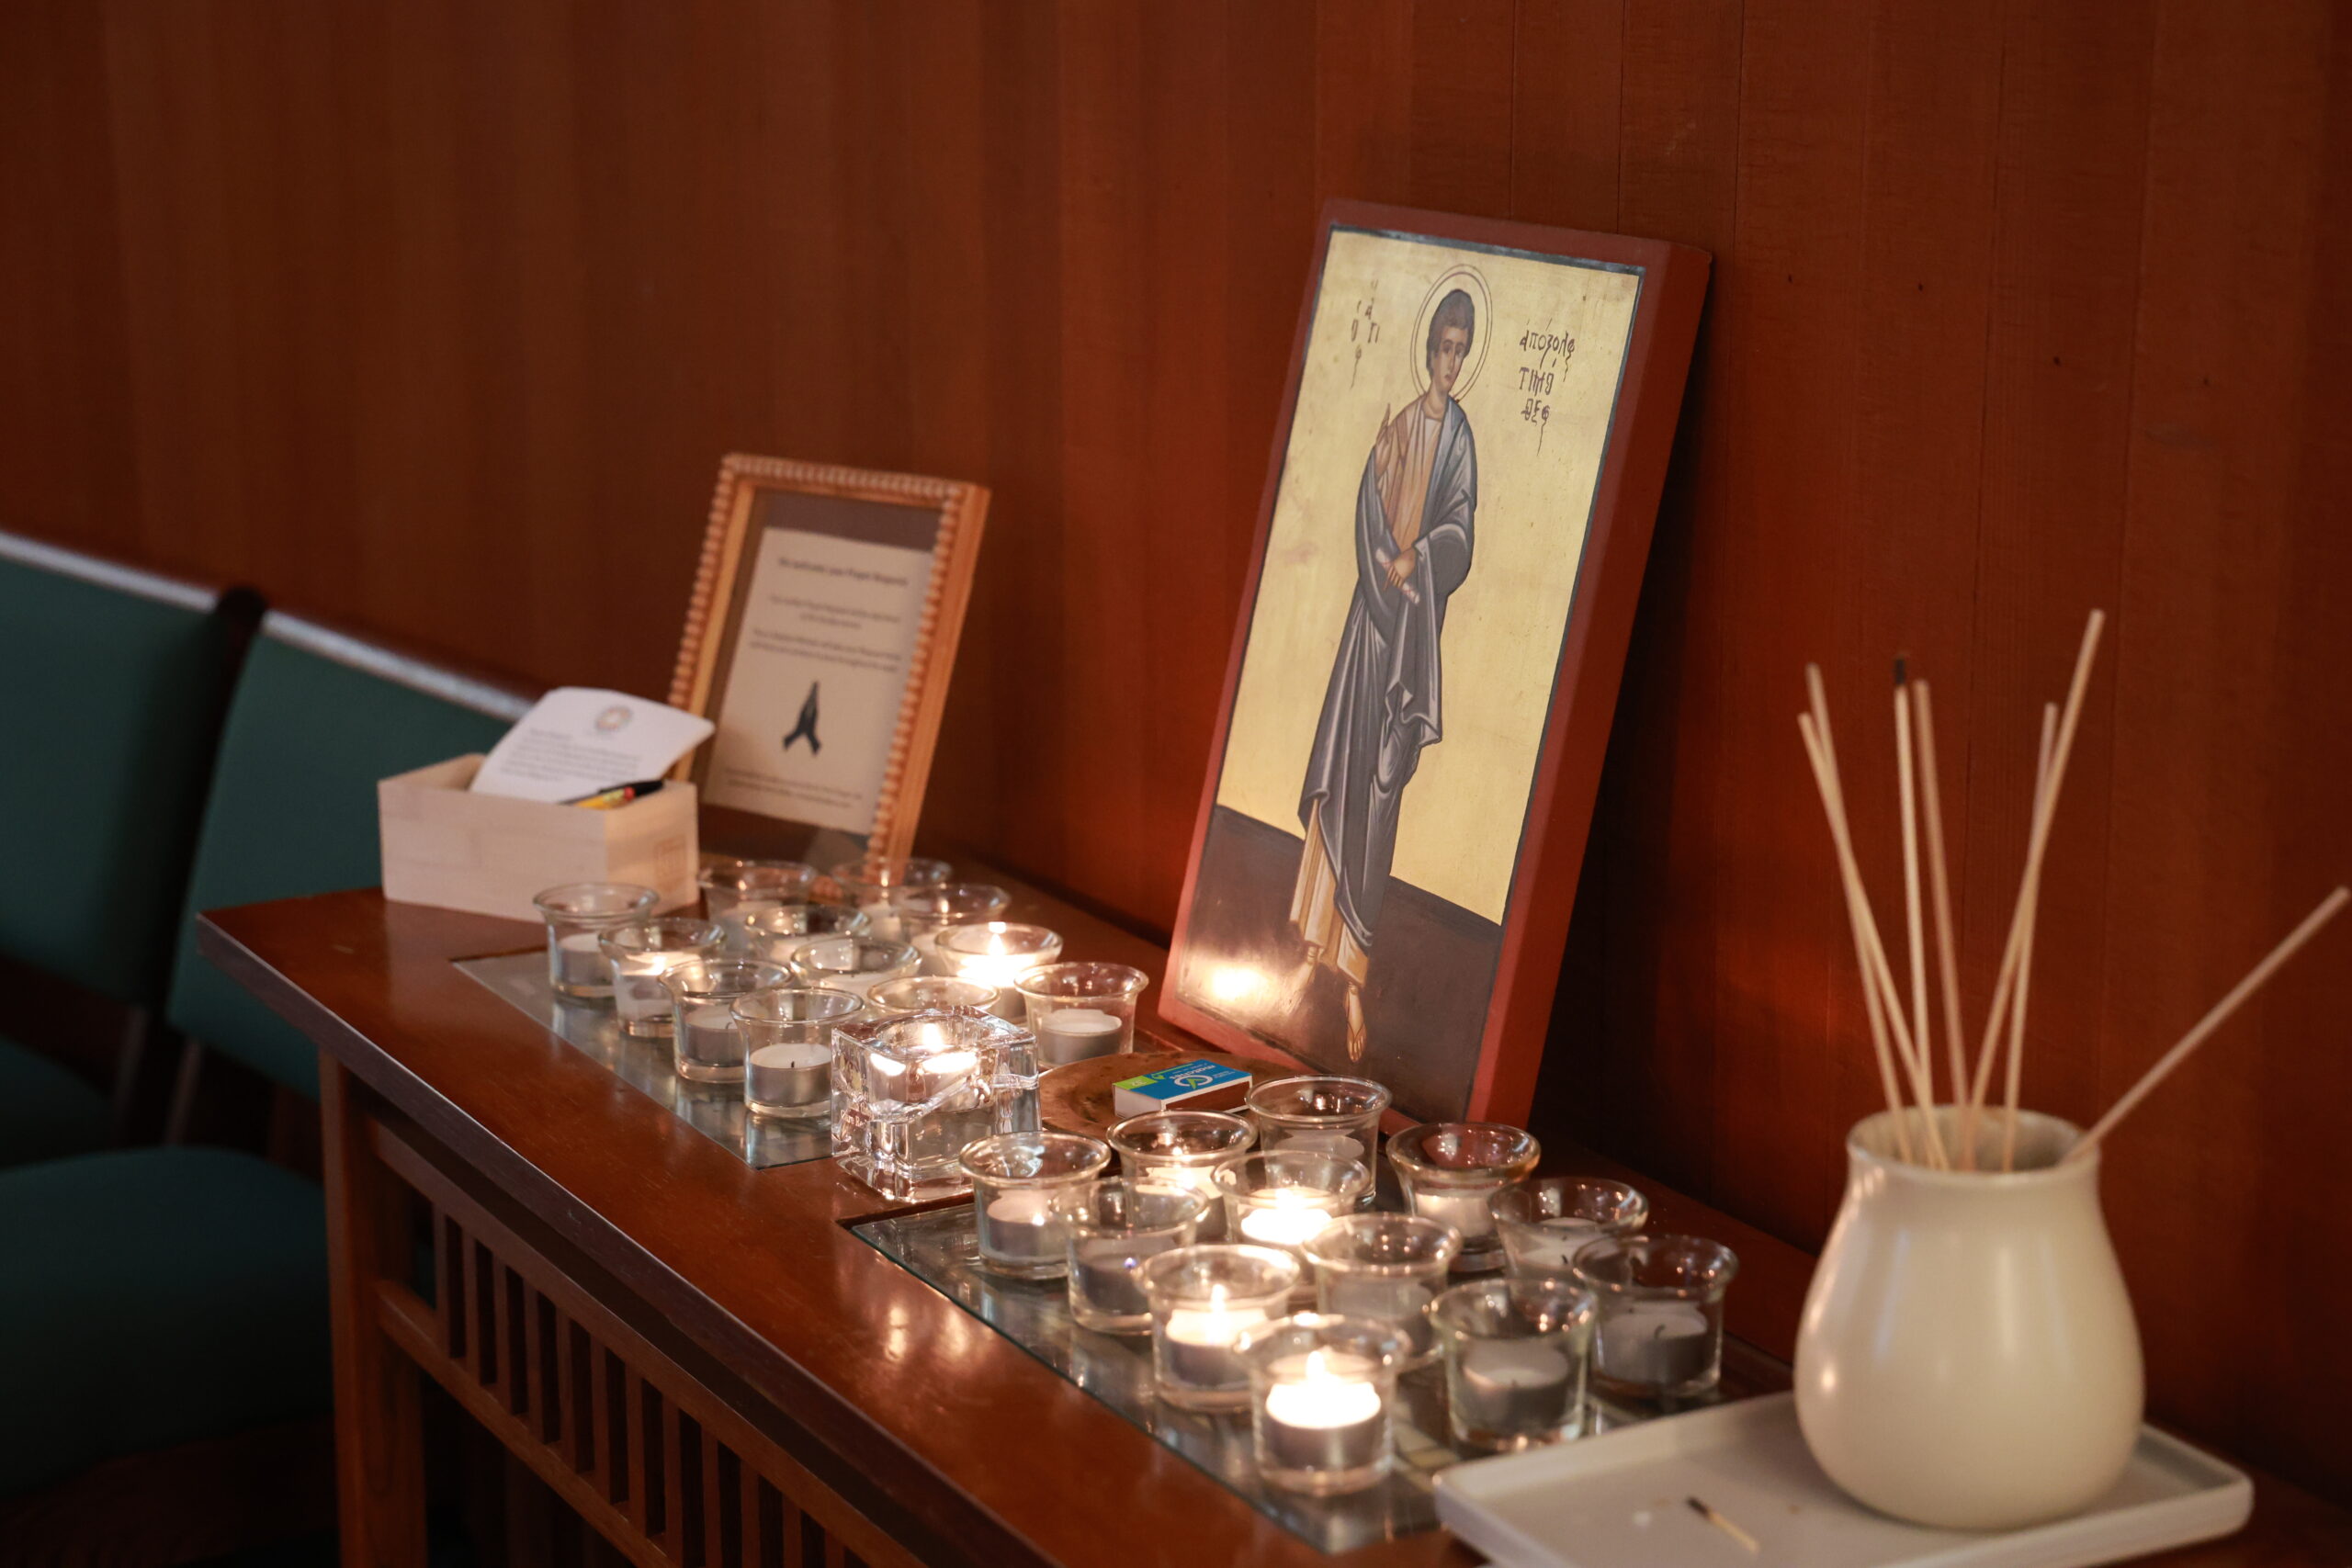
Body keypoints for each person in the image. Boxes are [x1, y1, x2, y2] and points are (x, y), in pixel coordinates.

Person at [1290, 288, 1478, 1060]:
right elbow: (1367, 508)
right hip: (1369, 627)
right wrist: (1386, 569)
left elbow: (1461, 530)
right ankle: (1310, 954)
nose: (1450, 363)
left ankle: (1353, 977)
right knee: (1342, 774)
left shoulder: (1460, 436)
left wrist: (1420, 557)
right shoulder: (1398, 429)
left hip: (1406, 645)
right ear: (1427, 347)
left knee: (1379, 789)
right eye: (1442, 347)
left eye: (1462, 350)